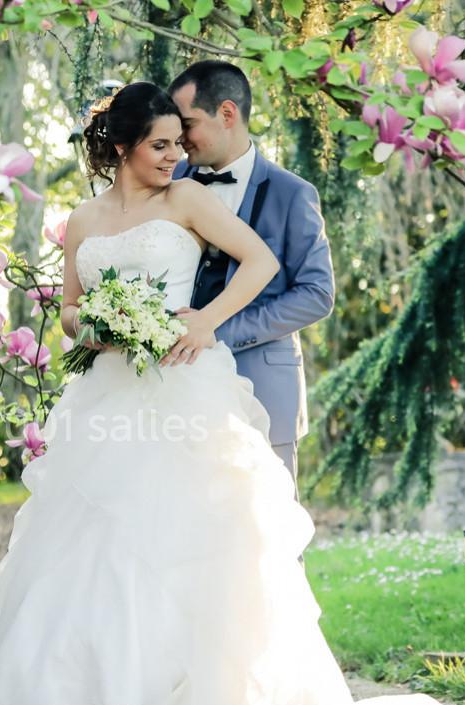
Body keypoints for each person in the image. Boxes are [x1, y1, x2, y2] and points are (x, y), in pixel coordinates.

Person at [0, 82, 465, 705]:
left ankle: (176, 696)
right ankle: (96, 696)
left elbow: (263, 263)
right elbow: (68, 311)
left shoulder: (186, 200)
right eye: (160, 145)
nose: (174, 156)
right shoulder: (81, 220)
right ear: (123, 146)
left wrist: (205, 320)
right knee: (97, 536)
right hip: (108, 389)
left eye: (178, 143)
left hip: (181, 385)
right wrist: (97, 327)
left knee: (183, 532)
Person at [169, 61, 336, 496]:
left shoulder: (292, 193)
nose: (178, 139)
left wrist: (218, 330)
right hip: (175, 389)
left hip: (263, 389)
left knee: (269, 538)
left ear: (227, 114)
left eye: (187, 124)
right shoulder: (167, 183)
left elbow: (317, 294)